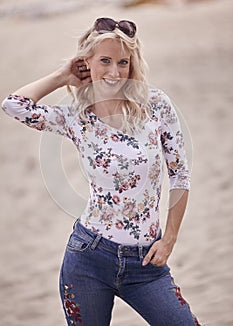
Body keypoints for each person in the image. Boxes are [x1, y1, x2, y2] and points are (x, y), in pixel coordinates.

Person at [1, 17, 201, 326]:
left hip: (146, 264)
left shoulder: (156, 106)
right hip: (88, 258)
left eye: (123, 62)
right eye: (104, 61)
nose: (114, 71)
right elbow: (14, 105)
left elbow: (180, 175)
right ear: (87, 63)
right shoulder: (75, 117)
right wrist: (61, 75)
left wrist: (170, 239)